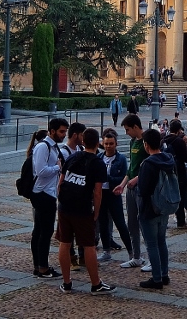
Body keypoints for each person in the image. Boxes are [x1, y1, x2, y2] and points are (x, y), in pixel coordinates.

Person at [56, 128, 116, 295]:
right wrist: (96, 213)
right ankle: (95, 284)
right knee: (89, 245)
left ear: (83, 141)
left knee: (65, 243)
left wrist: (60, 202)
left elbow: (60, 183)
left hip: (65, 207)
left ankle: (66, 283)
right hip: (82, 208)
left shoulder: (72, 157)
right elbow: (98, 192)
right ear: (99, 143)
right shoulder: (98, 163)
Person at [137, 128, 175, 289]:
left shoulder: (148, 163)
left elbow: (144, 189)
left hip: (150, 208)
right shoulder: (168, 159)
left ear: (146, 145)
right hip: (165, 205)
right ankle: (164, 274)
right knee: (161, 242)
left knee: (151, 244)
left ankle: (157, 278)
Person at [31, 117, 68, 278]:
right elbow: (41, 171)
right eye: (61, 131)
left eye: (65, 131)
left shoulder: (52, 147)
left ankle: (40, 266)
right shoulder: (43, 147)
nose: (64, 135)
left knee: (41, 231)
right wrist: (57, 167)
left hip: (48, 192)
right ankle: (42, 268)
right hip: (43, 194)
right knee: (44, 232)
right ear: (52, 131)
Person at [115, 113, 148, 270]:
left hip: (142, 189)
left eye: (128, 129)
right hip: (131, 188)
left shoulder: (146, 142)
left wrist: (138, 179)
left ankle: (151, 257)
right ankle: (136, 256)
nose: (127, 132)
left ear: (136, 127)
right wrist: (123, 184)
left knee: (145, 223)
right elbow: (131, 168)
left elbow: (150, 167)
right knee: (132, 223)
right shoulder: (132, 142)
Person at [96, 128, 132, 263]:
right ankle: (106, 250)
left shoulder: (120, 159)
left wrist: (108, 177)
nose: (108, 146)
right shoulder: (99, 157)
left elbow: (123, 177)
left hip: (113, 193)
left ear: (116, 144)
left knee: (120, 223)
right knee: (103, 223)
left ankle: (131, 251)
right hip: (101, 193)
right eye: (106, 144)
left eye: (111, 143)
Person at [59, 121, 86, 271]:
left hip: (80, 194)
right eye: (82, 134)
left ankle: (83, 256)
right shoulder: (64, 152)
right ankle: (71, 259)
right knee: (67, 231)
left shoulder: (81, 149)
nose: (84, 137)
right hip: (68, 196)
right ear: (75, 135)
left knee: (81, 228)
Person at [165, 119, 187, 229]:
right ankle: (181, 222)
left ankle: (165, 219)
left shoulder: (163, 140)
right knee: (181, 196)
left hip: (167, 170)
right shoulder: (179, 141)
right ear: (179, 130)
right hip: (179, 171)